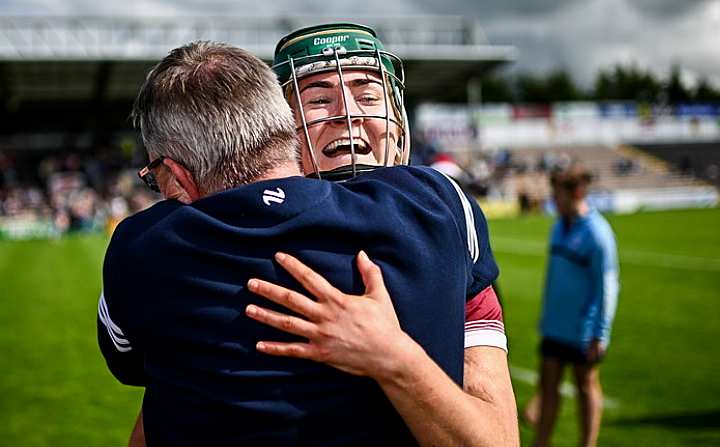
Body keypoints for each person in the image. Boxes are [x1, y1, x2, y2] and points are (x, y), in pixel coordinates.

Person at [98, 39, 517, 446]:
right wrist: (395, 358)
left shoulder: (144, 245)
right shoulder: (437, 205)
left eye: (369, 95)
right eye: (319, 100)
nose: (349, 116)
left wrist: (394, 358)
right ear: (285, 124)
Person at [522, 165, 619, 447]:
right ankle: (541, 443)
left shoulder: (597, 234)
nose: (554, 200)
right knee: (548, 387)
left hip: (583, 330)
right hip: (554, 326)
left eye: (558, 194)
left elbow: (608, 286)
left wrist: (600, 332)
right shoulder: (558, 227)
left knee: (586, 387)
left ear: (576, 193)